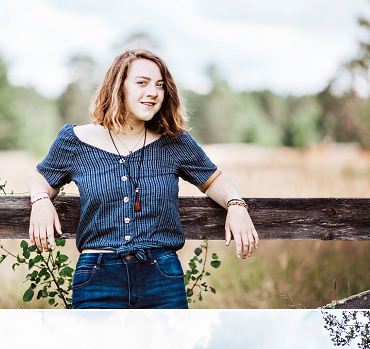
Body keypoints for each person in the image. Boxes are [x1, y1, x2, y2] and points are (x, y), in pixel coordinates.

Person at [29, 49, 259, 308]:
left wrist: (236, 205)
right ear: (118, 87)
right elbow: (42, 176)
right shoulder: (75, 141)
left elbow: (214, 178)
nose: (153, 92)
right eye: (142, 83)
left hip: (162, 276)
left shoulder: (175, 142)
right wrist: (40, 200)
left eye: (160, 85)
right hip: (97, 277)